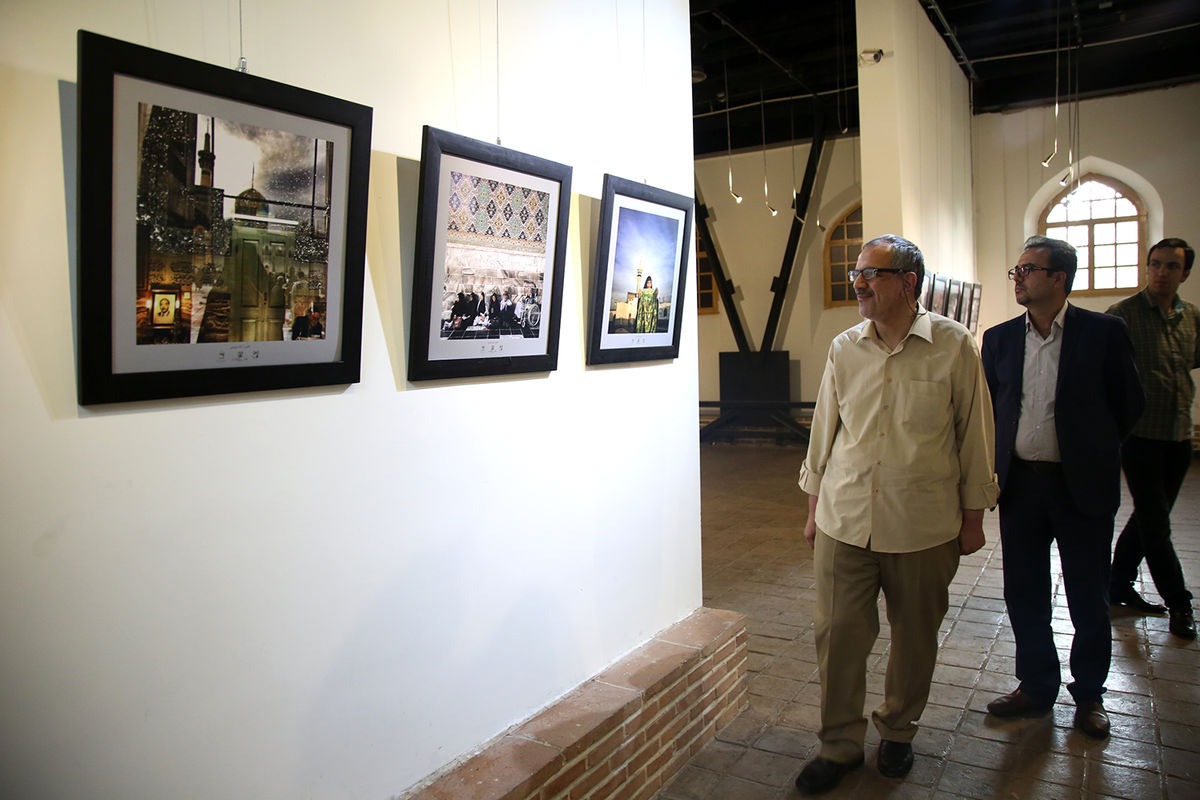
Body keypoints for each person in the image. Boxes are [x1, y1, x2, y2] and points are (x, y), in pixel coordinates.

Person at [795, 234, 998, 793]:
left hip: (923, 525)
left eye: (871, 274)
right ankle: (838, 746)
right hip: (845, 517)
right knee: (837, 635)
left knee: (914, 638)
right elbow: (824, 436)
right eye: (857, 273)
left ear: (909, 283)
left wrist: (974, 517)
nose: (858, 283)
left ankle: (899, 733)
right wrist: (814, 511)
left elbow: (974, 437)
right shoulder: (844, 348)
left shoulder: (953, 346)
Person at [981, 235, 1145, 739]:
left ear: (1059, 278)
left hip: (1081, 488)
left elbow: (1129, 404)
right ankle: (1035, 685)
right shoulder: (1000, 338)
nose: (1018, 277)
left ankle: (1090, 695)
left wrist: (1088, 450)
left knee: (1087, 595)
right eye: (1017, 269)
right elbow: (990, 409)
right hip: (1022, 486)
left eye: (1028, 269)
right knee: (1024, 591)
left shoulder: (1104, 333)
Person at [1106, 238, 1198, 639]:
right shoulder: (1121, 316)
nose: (1161, 272)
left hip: (1178, 434)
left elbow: (1188, 364)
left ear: (1185, 273)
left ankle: (1117, 583)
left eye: (1171, 267)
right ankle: (1179, 602)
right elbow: (1105, 376)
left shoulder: (1191, 317)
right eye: (1155, 264)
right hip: (1138, 435)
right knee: (1156, 523)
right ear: (1146, 267)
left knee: (1148, 517)